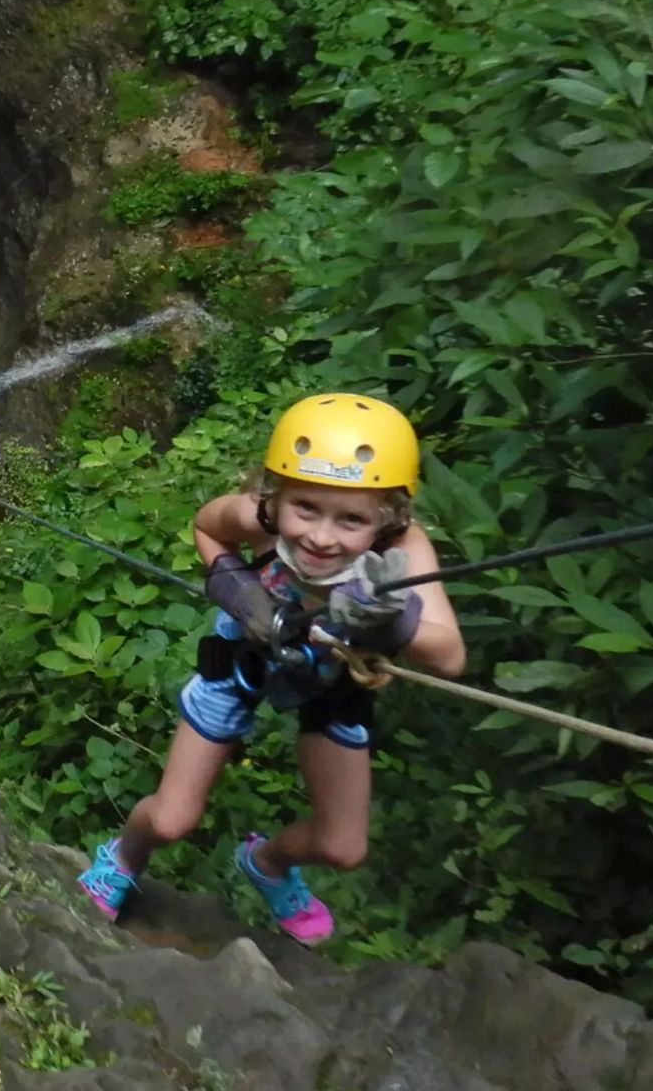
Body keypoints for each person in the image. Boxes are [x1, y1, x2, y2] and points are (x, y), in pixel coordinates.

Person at [75, 394, 464, 943]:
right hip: (245, 658)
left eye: (351, 519)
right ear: (277, 495)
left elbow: (448, 655)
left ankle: (268, 862)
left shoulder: (402, 548)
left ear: (388, 515)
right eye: (305, 508)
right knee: (171, 819)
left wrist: (388, 622)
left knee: (343, 847)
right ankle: (125, 855)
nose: (321, 537)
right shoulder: (258, 516)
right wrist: (242, 592)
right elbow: (208, 531)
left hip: (333, 679)